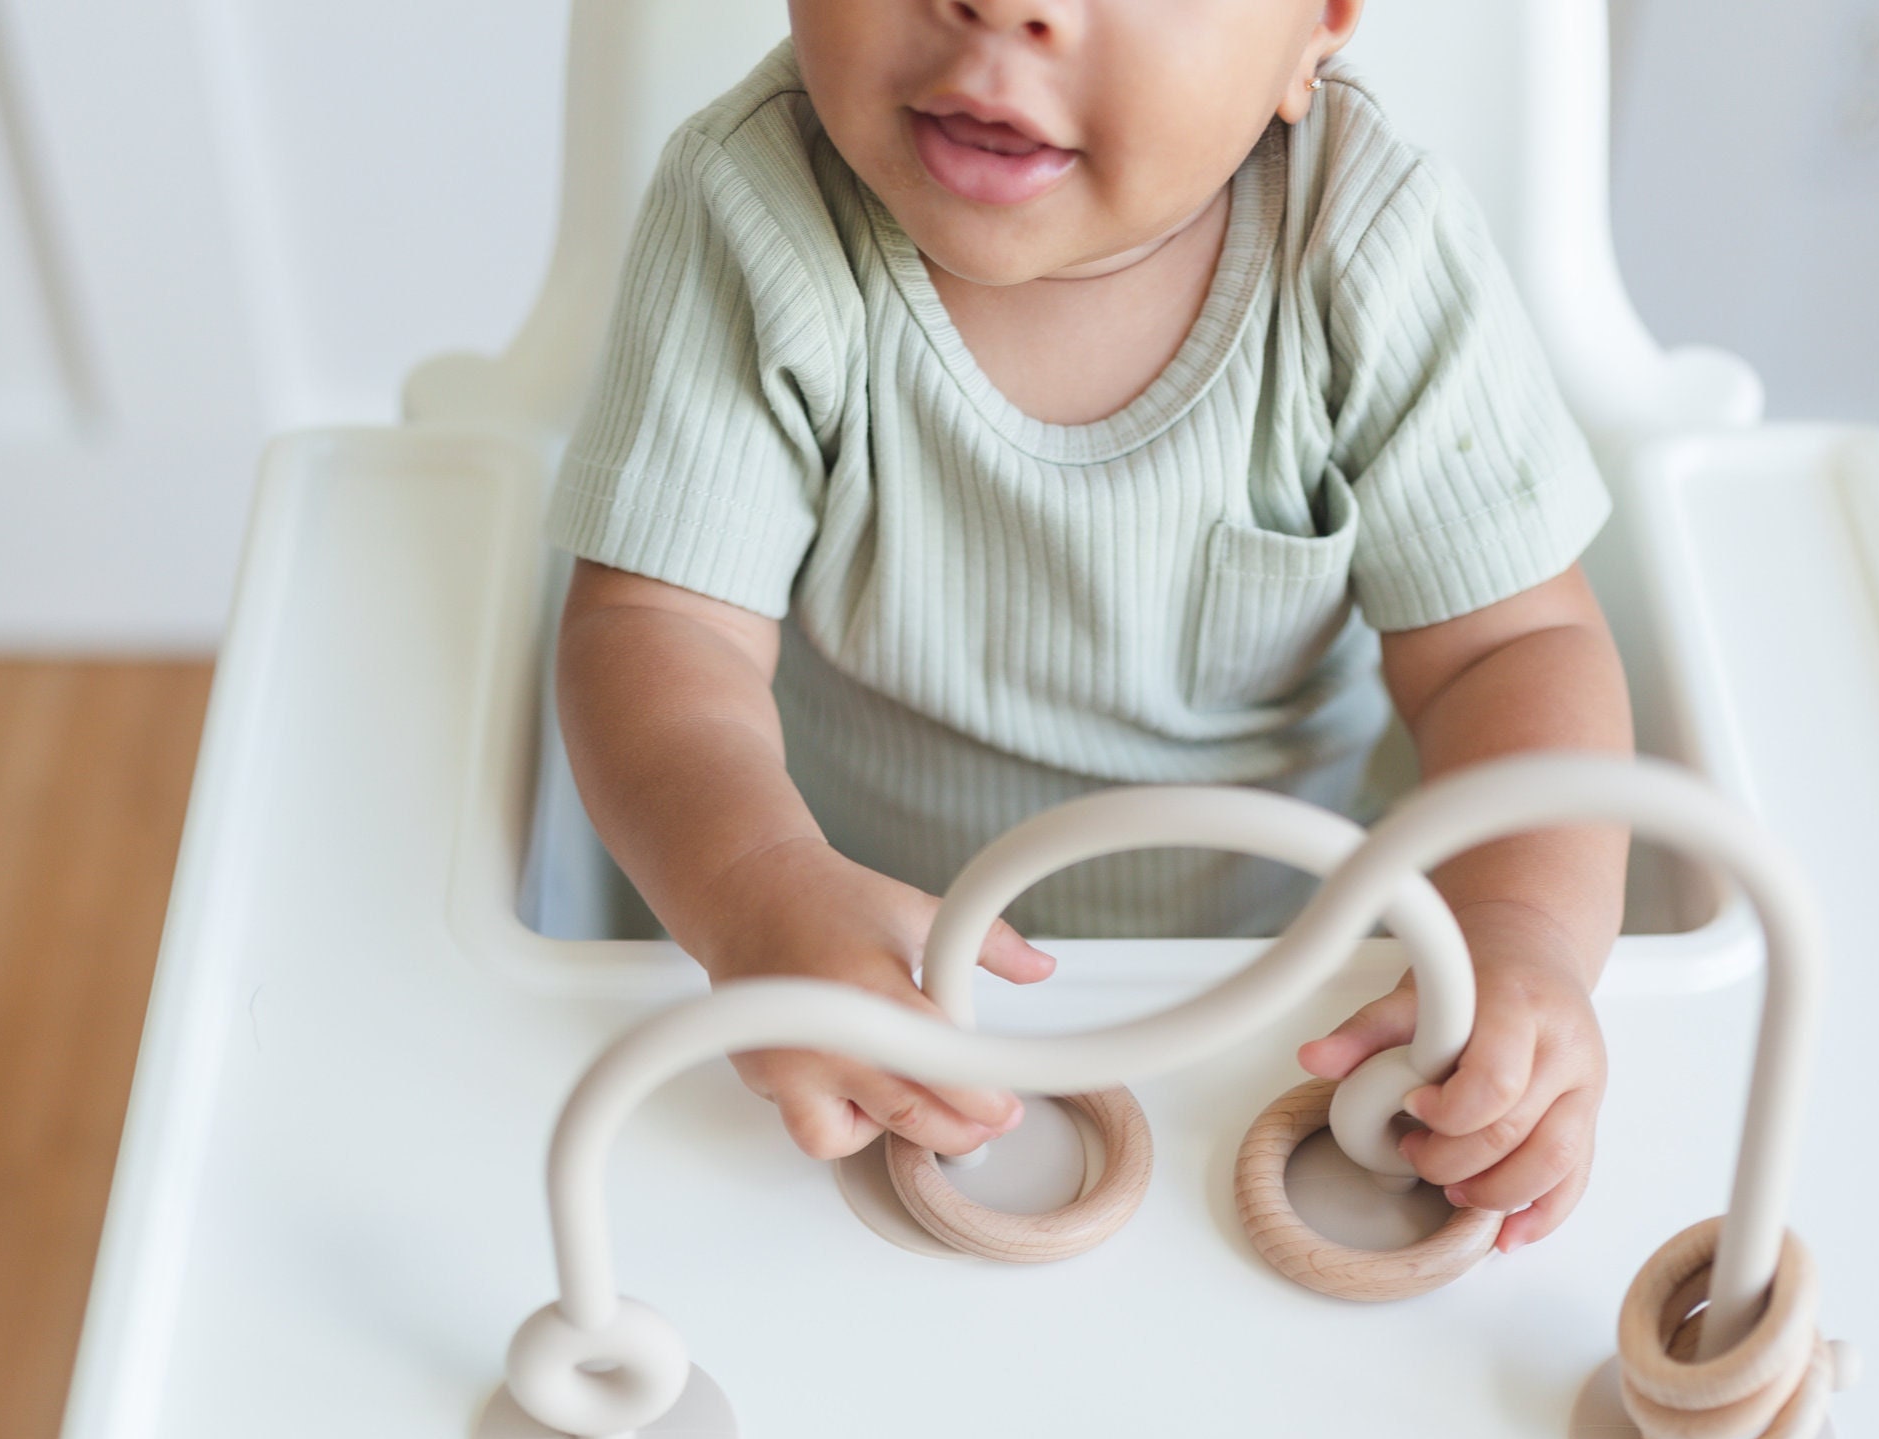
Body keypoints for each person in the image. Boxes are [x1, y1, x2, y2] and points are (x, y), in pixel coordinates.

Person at [551, 0, 1632, 1251]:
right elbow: (655, 629)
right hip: (833, 955)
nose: (1010, 7)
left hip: (1272, 984)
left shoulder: (1366, 248)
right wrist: (746, 887)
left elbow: (1507, 654)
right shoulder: (756, 208)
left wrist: (1520, 934)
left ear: (1314, 30)